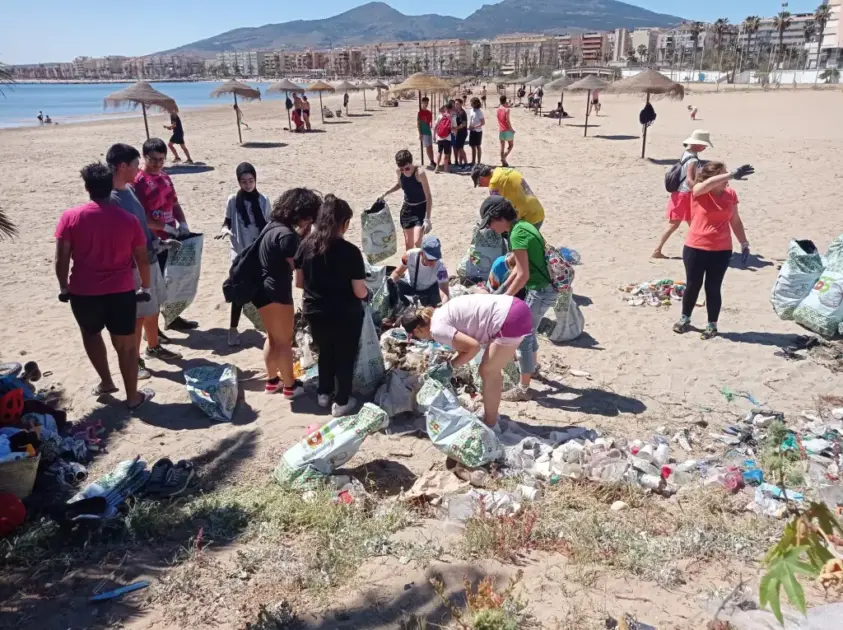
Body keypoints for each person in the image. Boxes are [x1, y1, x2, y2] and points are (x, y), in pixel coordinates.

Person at [54, 162, 154, 410]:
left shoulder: (70, 217)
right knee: (126, 346)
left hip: (83, 291)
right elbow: (142, 259)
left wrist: (63, 287)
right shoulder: (129, 220)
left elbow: (61, 259)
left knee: (91, 335)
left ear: (87, 188)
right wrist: (145, 286)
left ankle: (107, 382)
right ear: (110, 186)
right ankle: (132, 397)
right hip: (121, 291)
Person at [400, 295, 532, 430]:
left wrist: (450, 367)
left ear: (417, 330)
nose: (419, 338)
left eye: (415, 336)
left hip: (508, 319)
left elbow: (473, 347)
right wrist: (449, 364)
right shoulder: (440, 313)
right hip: (515, 306)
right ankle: (491, 415)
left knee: (488, 371)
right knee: (491, 370)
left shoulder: (437, 329)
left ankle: (490, 423)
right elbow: (465, 347)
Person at [107, 142, 176, 380]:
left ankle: (153, 346)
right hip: (133, 265)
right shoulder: (112, 198)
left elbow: (142, 222)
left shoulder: (129, 190)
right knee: (137, 316)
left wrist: (158, 240)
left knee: (153, 307)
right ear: (122, 166)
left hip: (150, 256)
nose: (139, 168)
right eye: (136, 163)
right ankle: (134, 360)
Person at [294, 195, 368, 417]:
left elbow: (299, 283)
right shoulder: (351, 252)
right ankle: (342, 401)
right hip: (345, 314)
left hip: (315, 311)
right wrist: (368, 294)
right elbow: (359, 291)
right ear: (343, 223)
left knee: (325, 351)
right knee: (345, 356)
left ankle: (323, 394)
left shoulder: (305, 246)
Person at [478, 197, 556, 401]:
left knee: (523, 336)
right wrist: (501, 291)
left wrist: (504, 300)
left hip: (541, 290)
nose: (491, 228)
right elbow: (518, 270)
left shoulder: (517, 236)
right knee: (530, 331)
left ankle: (524, 388)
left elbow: (523, 275)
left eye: (490, 223)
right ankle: (533, 369)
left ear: (499, 217)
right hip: (543, 288)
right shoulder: (523, 226)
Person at [673, 161, 754, 340]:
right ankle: (685, 318)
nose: (727, 179)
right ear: (713, 177)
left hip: (722, 249)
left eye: (727, 174)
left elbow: (735, 220)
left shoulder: (730, 194)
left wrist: (744, 243)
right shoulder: (699, 191)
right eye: (723, 174)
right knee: (693, 285)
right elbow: (705, 185)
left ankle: (712, 325)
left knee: (713, 287)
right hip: (695, 246)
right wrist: (732, 174)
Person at [256, 188, 321, 395]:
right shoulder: (287, 236)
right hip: (277, 291)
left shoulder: (272, 227)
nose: (309, 221)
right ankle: (290, 386)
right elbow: (298, 270)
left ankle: (272, 381)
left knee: (272, 337)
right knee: (284, 342)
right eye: (309, 217)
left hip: (260, 289)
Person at [134, 137, 197, 340]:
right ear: (144, 157)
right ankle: (152, 332)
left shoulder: (165, 177)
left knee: (172, 282)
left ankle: (172, 317)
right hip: (153, 242)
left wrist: (182, 224)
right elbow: (141, 218)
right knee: (153, 287)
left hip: (172, 238)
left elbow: (174, 203)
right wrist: (165, 228)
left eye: (162, 159)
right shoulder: (138, 182)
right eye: (154, 160)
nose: (158, 164)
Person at [217, 162, 270, 347]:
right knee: (239, 291)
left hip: (257, 252)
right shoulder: (233, 200)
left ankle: (267, 327)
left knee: (261, 290)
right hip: (239, 252)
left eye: (251, 180)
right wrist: (225, 230)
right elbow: (227, 221)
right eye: (244, 181)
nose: (248, 185)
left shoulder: (263, 200)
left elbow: (268, 224)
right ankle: (233, 330)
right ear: (238, 182)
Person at [652, 130, 712, 259]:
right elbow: (690, 180)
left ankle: (700, 249)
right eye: (704, 145)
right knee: (680, 224)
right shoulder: (693, 159)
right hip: (685, 196)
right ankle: (658, 250)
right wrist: (700, 189)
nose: (705, 147)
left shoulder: (687, 153)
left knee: (688, 224)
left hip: (679, 194)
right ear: (697, 144)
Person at [380, 149, 433, 250]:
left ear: (411, 163)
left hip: (421, 209)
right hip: (407, 210)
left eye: (407, 168)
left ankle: (423, 259)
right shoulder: (399, 172)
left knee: (418, 242)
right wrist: (386, 193)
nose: (404, 171)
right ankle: (412, 260)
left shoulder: (420, 173)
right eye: (402, 169)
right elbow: (399, 184)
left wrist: (427, 219)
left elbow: (428, 196)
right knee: (409, 244)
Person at [471, 164, 545, 230]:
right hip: (538, 212)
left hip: (527, 219)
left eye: (479, 184)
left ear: (481, 178)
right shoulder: (502, 170)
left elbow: (495, 208)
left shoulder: (494, 183)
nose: (481, 186)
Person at [390, 235, 450, 307]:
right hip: (411, 286)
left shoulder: (441, 267)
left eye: (435, 259)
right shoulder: (409, 255)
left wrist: (445, 306)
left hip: (430, 289)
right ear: (422, 253)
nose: (433, 263)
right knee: (394, 287)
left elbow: (444, 291)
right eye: (430, 259)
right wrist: (391, 283)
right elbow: (397, 273)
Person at [434, 105, 453, 174]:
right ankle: (445, 168)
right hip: (447, 138)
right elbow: (452, 128)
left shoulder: (440, 116)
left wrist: (434, 135)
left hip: (440, 137)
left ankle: (437, 167)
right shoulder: (450, 117)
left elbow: (435, 126)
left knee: (439, 152)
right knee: (446, 153)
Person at [417, 97, 435, 167]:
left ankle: (432, 160)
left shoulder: (429, 112)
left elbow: (429, 122)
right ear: (422, 103)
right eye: (425, 103)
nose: (426, 104)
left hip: (428, 131)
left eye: (427, 103)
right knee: (428, 147)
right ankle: (431, 161)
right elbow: (418, 124)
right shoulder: (420, 113)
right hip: (424, 132)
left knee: (430, 147)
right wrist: (420, 133)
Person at [497, 95, 514, 167]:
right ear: (505, 100)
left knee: (502, 147)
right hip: (507, 130)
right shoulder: (507, 109)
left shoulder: (498, 109)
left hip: (501, 130)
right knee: (511, 145)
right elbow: (507, 121)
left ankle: (503, 162)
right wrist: (511, 129)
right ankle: (504, 158)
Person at [468, 97, 485, 166]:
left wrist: (475, 127)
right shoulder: (471, 110)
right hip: (472, 131)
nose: (471, 104)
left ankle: (478, 162)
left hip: (478, 131)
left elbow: (483, 122)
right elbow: (471, 119)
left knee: (478, 146)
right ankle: (473, 161)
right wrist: (470, 126)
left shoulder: (479, 112)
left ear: (475, 103)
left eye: (472, 103)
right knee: (472, 147)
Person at [453, 99, 469, 167]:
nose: (456, 105)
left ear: (461, 104)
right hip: (459, 132)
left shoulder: (462, 113)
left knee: (460, 148)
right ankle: (460, 163)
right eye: (455, 104)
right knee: (459, 148)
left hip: (462, 132)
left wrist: (456, 128)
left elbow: (464, 124)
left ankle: (465, 163)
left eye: (457, 104)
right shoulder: (458, 112)